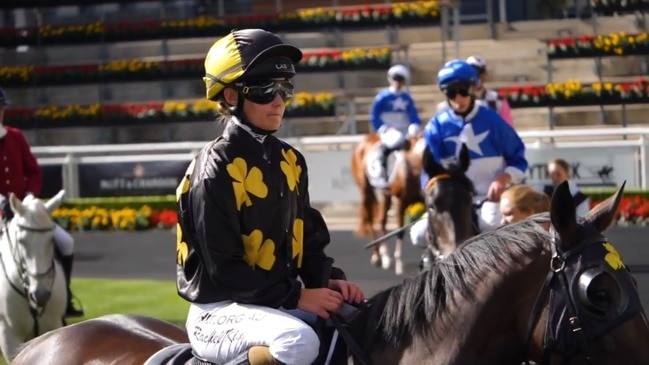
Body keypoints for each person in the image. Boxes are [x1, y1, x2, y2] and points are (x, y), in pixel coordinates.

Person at [176, 29, 365, 365]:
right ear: (231, 96)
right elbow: (224, 270)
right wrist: (297, 295)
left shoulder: (290, 161)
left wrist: (331, 281)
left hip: (270, 303)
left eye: (285, 87)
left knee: (362, 322)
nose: (278, 100)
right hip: (218, 311)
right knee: (298, 342)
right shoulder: (214, 168)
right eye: (265, 89)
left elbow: (307, 244)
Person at [410, 59, 528, 247]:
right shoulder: (436, 127)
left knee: (490, 225)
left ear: (473, 88)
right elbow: (429, 174)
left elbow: (519, 158)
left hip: (487, 198)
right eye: (451, 92)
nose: (458, 98)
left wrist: (503, 178)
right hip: (450, 199)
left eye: (463, 90)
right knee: (418, 234)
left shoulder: (493, 121)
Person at [0, 87, 84, 318]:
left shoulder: (16, 137)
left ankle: (65, 298)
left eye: (1, 108)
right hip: (1, 213)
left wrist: (29, 195)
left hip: (26, 212)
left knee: (65, 242)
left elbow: (33, 171)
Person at [369, 64, 422, 188]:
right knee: (393, 141)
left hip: (405, 131)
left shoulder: (407, 98)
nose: (398, 82)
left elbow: (413, 115)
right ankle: (381, 173)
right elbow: (374, 116)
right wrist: (384, 127)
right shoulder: (382, 97)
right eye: (395, 79)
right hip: (389, 131)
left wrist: (414, 126)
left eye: (400, 80)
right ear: (390, 79)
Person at [436, 55, 514, 127]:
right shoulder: (447, 107)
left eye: (479, 74)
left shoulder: (497, 100)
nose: (477, 78)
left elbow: (507, 129)